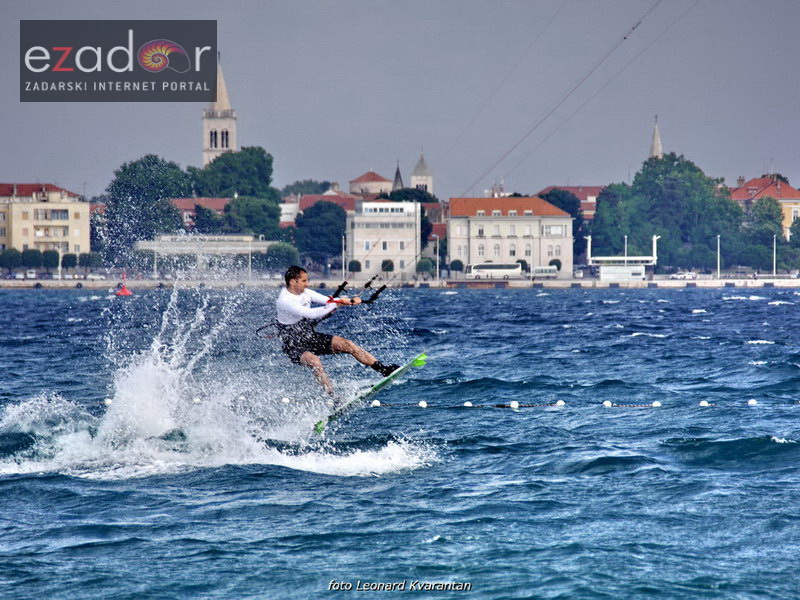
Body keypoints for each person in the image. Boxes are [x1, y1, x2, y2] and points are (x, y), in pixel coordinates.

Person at [276, 265, 399, 398]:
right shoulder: (285, 300)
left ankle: (384, 369)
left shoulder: (306, 293)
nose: (307, 284)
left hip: (309, 336)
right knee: (314, 361)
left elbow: (328, 300)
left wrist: (349, 301)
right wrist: (336, 304)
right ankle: (332, 397)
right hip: (293, 344)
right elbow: (311, 314)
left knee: (348, 344)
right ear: (293, 281)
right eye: (304, 281)